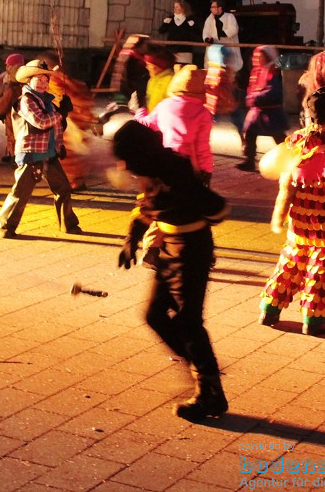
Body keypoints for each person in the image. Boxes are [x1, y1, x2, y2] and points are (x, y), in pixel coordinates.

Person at [113, 120, 230, 421]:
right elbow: (146, 208)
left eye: (126, 159)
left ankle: (210, 393)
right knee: (154, 314)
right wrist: (131, 240)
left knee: (189, 321)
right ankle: (203, 370)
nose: (124, 167)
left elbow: (217, 208)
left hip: (192, 249)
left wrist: (181, 205)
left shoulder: (174, 171)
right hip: (170, 248)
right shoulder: (150, 170)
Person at [260, 87, 325, 335]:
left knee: (292, 261)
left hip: (299, 217)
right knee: (322, 267)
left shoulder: (295, 141)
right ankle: (314, 319)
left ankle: (270, 308)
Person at [0, 59, 80, 238]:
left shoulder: (47, 101)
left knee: (62, 188)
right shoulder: (26, 100)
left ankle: (68, 224)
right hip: (31, 153)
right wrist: (60, 115)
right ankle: (3, 226)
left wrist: (59, 141)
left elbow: (56, 126)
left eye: (45, 79)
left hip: (48, 153)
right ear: (29, 80)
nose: (43, 83)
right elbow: (40, 122)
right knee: (21, 192)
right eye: (38, 79)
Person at [135, 65, 214, 184]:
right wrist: (207, 170)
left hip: (165, 158)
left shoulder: (165, 105)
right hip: (189, 164)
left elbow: (146, 123)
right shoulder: (203, 113)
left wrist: (140, 111)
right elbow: (202, 146)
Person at [40, 50, 96, 191]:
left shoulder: (59, 81)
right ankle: (75, 180)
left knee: (66, 155)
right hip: (69, 123)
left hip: (68, 125)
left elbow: (66, 100)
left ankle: (73, 181)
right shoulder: (59, 81)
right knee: (68, 155)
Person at [237, 45, 289, 172]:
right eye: (255, 57)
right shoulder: (258, 72)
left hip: (271, 113)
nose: (256, 59)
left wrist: (255, 98)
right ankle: (249, 160)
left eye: (260, 57)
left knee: (279, 138)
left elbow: (273, 91)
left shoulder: (272, 72)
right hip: (258, 112)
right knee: (250, 133)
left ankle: (291, 159)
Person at [0, 53, 25, 166]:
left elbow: (5, 101)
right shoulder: (23, 84)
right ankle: (11, 154)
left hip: (12, 115)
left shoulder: (12, 87)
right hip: (20, 113)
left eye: (9, 66)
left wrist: (0, 111)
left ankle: (14, 157)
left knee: (12, 136)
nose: (7, 68)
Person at [159, 0, 202, 65]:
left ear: (183, 8)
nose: (175, 8)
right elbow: (161, 31)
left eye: (177, 6)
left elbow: (197, 33)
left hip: (185, 51)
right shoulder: (170, 19)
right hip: (171, 50)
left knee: (184, 69)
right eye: (174, 7)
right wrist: (165, 23)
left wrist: (193, 26)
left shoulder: (190, 19)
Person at [202, 0, 240, 69]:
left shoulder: (229, 17)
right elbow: (206, 31)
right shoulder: (209, 19)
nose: (211, 9)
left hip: (227, 46)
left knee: (228, 68)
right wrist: (207, 39)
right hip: (215, 48)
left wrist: (222, 33)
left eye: (214, 7)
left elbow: (234, 29)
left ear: (220, 8)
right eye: (211, 7)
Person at [143, 44, 176, 112]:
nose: (146, 67)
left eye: (149, 65)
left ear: (157, 66)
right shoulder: (152, 80)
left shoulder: (172, 81)